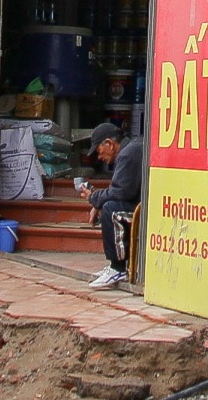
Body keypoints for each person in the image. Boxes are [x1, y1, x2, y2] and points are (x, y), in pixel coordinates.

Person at [78, 121, 143, 288]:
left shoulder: (128, 154)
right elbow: (120, 190)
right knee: (109, 206)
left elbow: (120, 192)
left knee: (111, 210)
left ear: (109, 144)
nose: (100, 158)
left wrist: (94, 197)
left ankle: (118, 268)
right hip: (140, 203)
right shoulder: (129, 149)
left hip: (146, 209)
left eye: (99, 151)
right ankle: (117, 267)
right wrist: (97, 201)